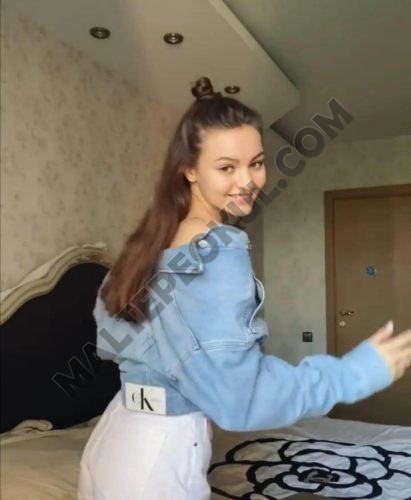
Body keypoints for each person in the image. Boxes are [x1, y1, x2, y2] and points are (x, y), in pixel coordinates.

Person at [77, 76, 411, 500]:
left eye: (256, 162)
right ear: (189, 169)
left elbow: (110, 344)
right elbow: (241, 400)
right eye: (226, 167)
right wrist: (353, 374)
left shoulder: (147, 245)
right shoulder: (217, 250)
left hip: (112, 440)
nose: (248, 180)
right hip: (159, 456)